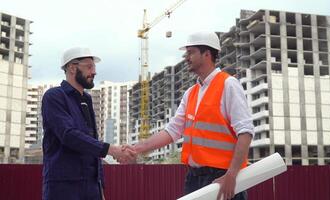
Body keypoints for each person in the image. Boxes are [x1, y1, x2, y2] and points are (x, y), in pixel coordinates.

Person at [129, 32, 254, 200]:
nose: (186, 57)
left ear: (207, 54)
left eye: (191, 52)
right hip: (194, 178)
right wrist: (135, 149)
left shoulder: (228, 84)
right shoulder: (191, 93)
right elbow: (172, 131)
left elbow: (245, 132)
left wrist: (232, 175)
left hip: (222, 178)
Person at [41, 47, 136, 200]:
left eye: (94, 67)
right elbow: (69, 135)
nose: (94, 72)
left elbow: (90, 142)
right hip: (64, 187)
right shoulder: (53, 97)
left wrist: (99, 185)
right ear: (72, 68)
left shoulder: (87, 99)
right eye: (89, 66)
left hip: (91, 186)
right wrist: (111, 149)